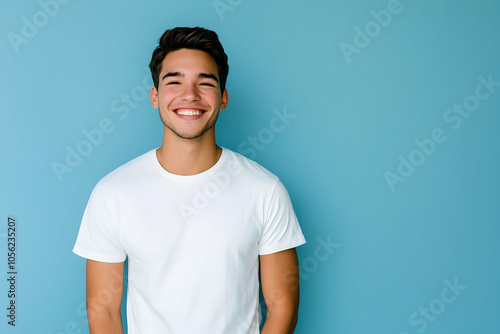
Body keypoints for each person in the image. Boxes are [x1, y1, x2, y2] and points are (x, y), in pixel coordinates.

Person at [73, 26, 306, 334]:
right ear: (155, 96)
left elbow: (282, 307)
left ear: (223, 98)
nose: (190, 95)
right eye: (174, 81)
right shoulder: (112, 193)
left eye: (205, 82)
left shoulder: (265, 190)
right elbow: (102, 309)